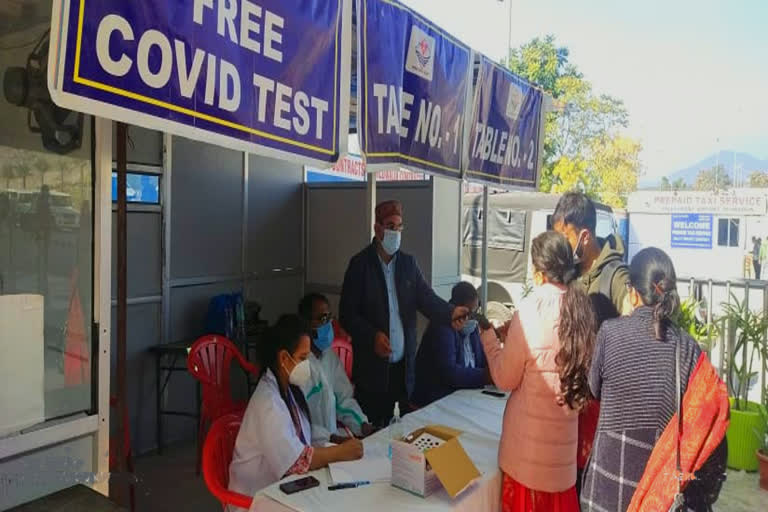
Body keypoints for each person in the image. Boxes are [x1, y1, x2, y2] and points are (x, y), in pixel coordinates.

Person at [580, 248, 728, 512]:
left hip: (608, 484)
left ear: (632, 291)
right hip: (660, 491)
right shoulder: (687, 347)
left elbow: (594, 390)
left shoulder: (610, 332)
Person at [480, 231, 597, 511]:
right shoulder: (583, 311)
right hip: (563, 461)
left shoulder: (530, 310)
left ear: (539, 271)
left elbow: (505, 379)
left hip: (526, 461)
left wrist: (489, 339)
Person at [339, 200, 469, 426]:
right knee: (373, 429)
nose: (396, 233)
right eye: (391, 226)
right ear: (377, 228)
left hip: (403, 366)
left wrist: (450, 313)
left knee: (402, 429)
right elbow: (347, 315)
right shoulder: (360, 265)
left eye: (400, 227)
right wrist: (372, 337)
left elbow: (426, 298)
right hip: (372, 370)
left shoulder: (408, 264)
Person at [229, 315, 363, 505]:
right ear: (284, 357)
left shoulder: (288, 388)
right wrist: (340, 452)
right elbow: (296, 461)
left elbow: (302, 431)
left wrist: (334, 439)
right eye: (302, 358)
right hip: (255, 498)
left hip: (281, 487)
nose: (307, 364)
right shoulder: (268, 402)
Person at [552, 191, 631, 492]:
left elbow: (635, 321)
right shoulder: (570, 275)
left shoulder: (615, 276)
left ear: (584, 236)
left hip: (601, 412)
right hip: (571, 407)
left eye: (565, 237)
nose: (561, 246)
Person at [297, 293, 374, 444]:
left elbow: (344, 400)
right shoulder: (298, 366)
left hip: (333, 442)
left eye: (329, 317)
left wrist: (363, 425)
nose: (329, 324)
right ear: (306, 324)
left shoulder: (330, 357)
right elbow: (298, 422)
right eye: (322, 319)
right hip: (307, 447)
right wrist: (333, 439)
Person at [412, 282, 490, 407]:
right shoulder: (442, 327)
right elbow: (450, 374)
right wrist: (485, 376)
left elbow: (481, 362)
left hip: (462, 397)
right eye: (468, 313)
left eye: (475, 311)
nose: (472, 317)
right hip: (434, 401)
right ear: (456, 309)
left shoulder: (472, 327)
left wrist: (497, 366)